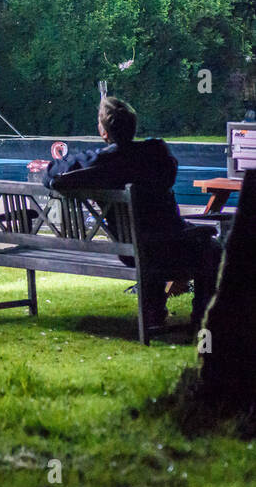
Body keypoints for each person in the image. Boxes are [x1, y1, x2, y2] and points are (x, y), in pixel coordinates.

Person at [43, 96, 221, 331]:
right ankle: (203, 319)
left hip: (132, 250)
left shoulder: (99, 162)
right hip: (171, 246)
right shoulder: (156, 153)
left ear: (104, 132)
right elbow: (170, 170)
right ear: (133, 126)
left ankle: (154, 311)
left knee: (153, 238)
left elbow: (52, 177)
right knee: (214, 247)